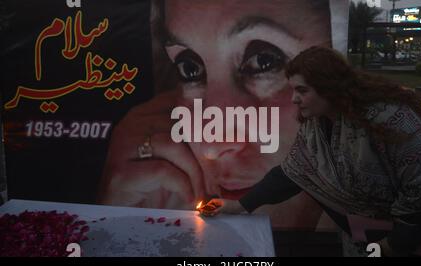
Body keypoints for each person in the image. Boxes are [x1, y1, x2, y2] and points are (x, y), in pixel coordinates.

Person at [98, 0, 349, 229]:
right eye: (190, 68)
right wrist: (123, 229)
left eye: (264, 61)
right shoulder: (165, 208)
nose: (210, 145)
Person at [202, 46, 421, 257]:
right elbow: (293, 173)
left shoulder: (392, 120)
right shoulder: (316, 125)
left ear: (330, 87)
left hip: (410, 243)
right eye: (293, 91)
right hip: (362, 239)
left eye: (302, 90)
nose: (295, 100)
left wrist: (390, 246)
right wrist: (240, 206)